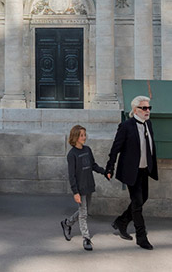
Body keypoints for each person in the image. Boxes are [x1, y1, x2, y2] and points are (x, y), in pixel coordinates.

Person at [105, 95, 158, 250]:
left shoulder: (149, 124)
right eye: (144, 108)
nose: (147, 111)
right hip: (131, 171)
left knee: (143, 198)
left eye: (149, 108)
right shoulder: (126, 126)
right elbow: (116, 148)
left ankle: (121, 222)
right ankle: (141, 237)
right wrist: (110, 167)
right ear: (135, 110)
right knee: (137, 204)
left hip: (144, 170)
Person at [61, 124, 106, 251]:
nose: (84, 137)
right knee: (83, 214)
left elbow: (93, 165)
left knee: (84, 210)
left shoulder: (87, 150)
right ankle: (86, 238)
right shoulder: (72, 154)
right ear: (75, 137)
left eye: (84, 135)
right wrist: (75, 192)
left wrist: (104, 172)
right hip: (80, 188)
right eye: (81, 135)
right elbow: (72, 175)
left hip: (89, 185)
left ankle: (67, 223)